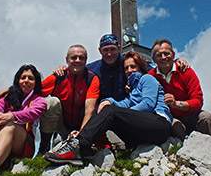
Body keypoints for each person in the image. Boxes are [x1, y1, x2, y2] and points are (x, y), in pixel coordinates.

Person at [44, 51, 172, 165]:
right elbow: (124, 104)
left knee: (111, 112)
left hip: (159, 124)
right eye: (126, 68)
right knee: (105, 108)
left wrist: (116, 110)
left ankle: (77, 145)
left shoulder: (147, 78)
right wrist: (107, 101)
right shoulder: (132, 89)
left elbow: (147, 105)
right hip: (142, 133)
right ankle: (84, 150)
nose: (129, 70)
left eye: (133, 66)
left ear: (140, 67)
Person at [149, 38, 211, 140]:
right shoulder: (150, 77)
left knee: (207, 118)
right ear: (153, 59)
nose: (163, 57)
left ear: (173, 54)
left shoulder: (186, 71)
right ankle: (180, 153)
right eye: (159, 55)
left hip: (191, 115)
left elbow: (198, 100)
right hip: (170, 117)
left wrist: (176, 104)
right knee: (175, 126)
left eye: (166, 53)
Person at [38, 45, 100, 153]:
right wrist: (12, 90)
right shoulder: (58, 77)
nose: (77, 60)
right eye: (73, 57)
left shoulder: (91, 79)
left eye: (81, 58)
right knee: (52, 102)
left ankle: (80, 144)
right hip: (62, 124)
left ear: (86, 60)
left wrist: (80, 136)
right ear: (67, 60)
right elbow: (35, 92)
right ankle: (44, 145)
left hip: (81, 126)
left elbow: (89, 110)